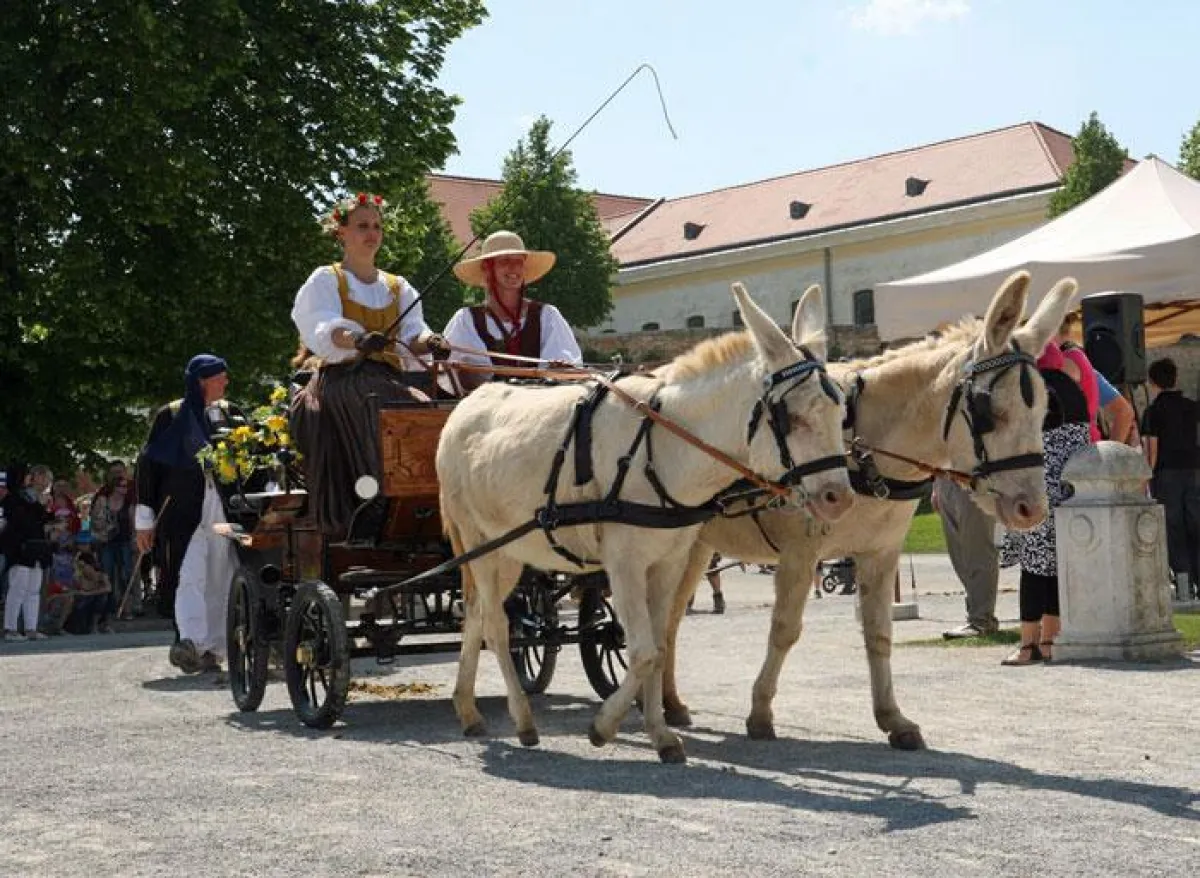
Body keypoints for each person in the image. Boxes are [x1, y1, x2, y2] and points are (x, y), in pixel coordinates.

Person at [289, 191, 449, 535]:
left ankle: (425, 500)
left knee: (425, 410)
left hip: (388, 378)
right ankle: (374, 498)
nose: (371, 233)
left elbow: (414, 335)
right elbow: (323, 327)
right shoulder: (327, 279)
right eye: (362, 225)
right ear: (341, 232)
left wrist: (432, 342)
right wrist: (357, 341)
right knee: (379, 407)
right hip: (342, 378)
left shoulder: (397, 286)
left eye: (376, 225)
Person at [136, 354, 242, 674]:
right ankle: (191, 642)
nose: (225, 382)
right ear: (201, 381)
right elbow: (148, 466)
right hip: (182, 511)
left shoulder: (232, 414)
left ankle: (216, 647)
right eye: (219, 377)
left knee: (222, 574)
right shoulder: (170, 415)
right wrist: (144, 519)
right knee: (188, 575)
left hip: (222, 506)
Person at [999, 342, 1093, 665]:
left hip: (1038, 491)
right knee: (1055, 567)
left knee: (1033, 569)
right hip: (1070, 493)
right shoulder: (1074, 392)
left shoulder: (1036, 391)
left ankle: (1027, 645)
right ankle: (1051, 640)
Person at [442, 230, 582, 390]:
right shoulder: (466, 320)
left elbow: (567, 371)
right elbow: (450, 376)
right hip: (486, 410)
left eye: (519, 261)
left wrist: (560, 371)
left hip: (539, 408)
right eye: (505, 261)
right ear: (487, 269)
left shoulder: (547, 316)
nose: (513, 267)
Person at [1141, 357, 1200, 600]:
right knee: (1196, 526)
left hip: (1166, 475)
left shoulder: (1152, 411)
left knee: (1174, 528)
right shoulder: (1193, 407)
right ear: (1176, 378)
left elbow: (1151, 452)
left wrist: (1145, 479)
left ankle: (1184, 586)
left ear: (1152, 382)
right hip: (1195, 472)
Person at [936, 475, 1000, 639]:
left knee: (978, 549)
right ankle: (976, 613)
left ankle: (982, 619)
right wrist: (936, 486)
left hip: (973, 477)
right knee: (959, 553)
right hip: (944, 477)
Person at [1, 463, 54, 642]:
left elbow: (41, 519)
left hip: (36, 549)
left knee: (33, 590)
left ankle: (31, 628)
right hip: (20, 550)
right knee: (17, 589)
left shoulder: (33, 499)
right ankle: (10, 628)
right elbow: (21, 521)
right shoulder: (12, 499)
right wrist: (39, 507)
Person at [91, 460, 138, 618]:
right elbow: (95, 521)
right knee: (108, 574)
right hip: (107, 542)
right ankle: (108, 608)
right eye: (121, 486)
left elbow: (133, 523)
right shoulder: (102, 498)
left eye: (125, 485)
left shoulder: (130, 500)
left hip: (124, 541)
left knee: (126, 574)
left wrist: (135, 540)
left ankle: (127, 607)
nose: (124, 489)